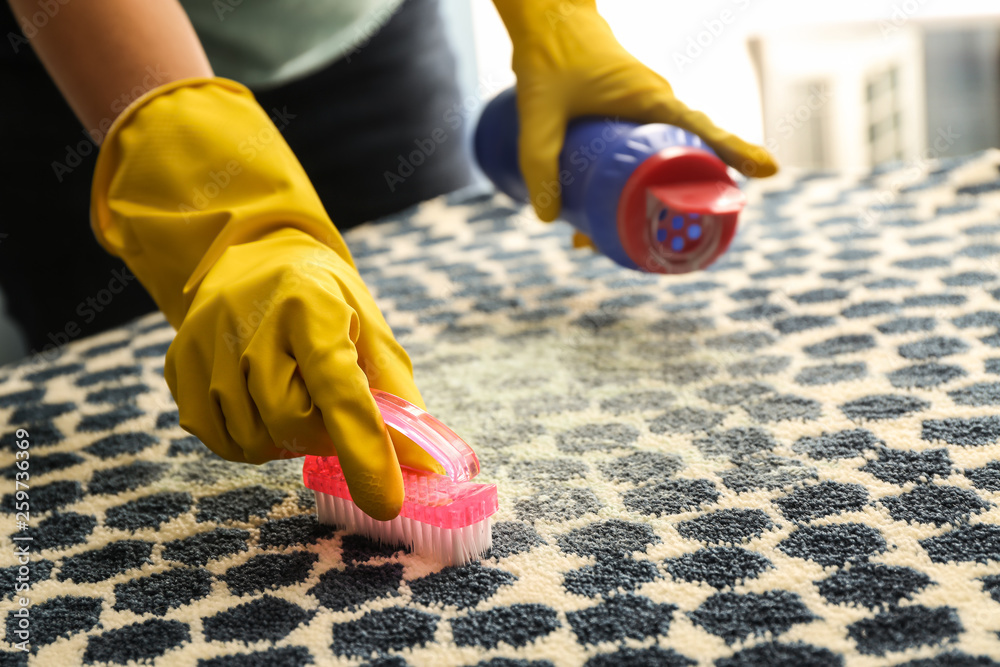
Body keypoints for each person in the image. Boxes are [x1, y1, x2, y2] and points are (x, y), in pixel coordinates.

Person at [1, 0, 777, 521]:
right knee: (142, 429)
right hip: (87, 68)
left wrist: (556, 19)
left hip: (363, 39)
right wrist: (221, 223)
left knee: (380, 347)